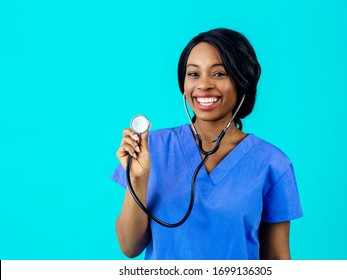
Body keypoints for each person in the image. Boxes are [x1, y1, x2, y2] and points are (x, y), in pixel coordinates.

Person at [111, 28, 303, 260]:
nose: (204, 85)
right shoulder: (152, 149)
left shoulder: (272, 163)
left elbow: (277, 259)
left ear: (242, 81)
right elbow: (129, 247)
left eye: (219, 74)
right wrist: (138, 179)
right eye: (193, 74)